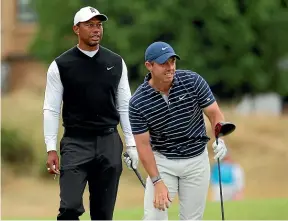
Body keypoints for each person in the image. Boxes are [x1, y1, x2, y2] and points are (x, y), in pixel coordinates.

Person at [43, 6, 139, 220]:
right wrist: (51, 148)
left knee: (103, 213)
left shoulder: (116, 63)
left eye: (99, 25)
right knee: (69, 208)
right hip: (75, 143)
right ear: (76, 29)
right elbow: (51, 109)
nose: (96, 29)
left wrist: (131, 144)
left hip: (109, 141)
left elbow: (125, 106)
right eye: (89, 25)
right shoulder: (61, 65)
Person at [127, 41, 229, 220]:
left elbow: (215, 114)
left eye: (173, 62)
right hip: (163, 162)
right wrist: (157, 181)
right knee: (154, 217)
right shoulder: (138, 102)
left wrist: (220, 138)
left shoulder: (192, 81)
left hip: (196, 160)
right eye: (164, 63)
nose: (170, 67)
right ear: (149, 66)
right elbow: (143, 146)